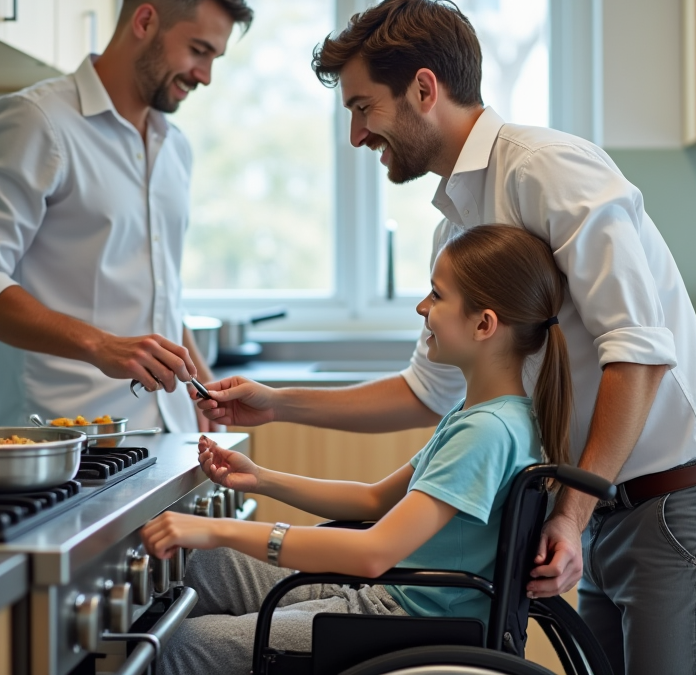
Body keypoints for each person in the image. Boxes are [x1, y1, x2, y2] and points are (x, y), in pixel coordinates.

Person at [197, 0, 696, 674]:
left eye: (361, 107)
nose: (356, 136)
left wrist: (572, 513)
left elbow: (638, 351)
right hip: (609, 503)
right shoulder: (460, 226)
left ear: (423, 89)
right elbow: (425, 393)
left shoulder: (548, 170)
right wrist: (280, 402)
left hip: (680, 501)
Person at [142, 224, 573, 675]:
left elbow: (373, 552)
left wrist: (220, 530)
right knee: (201, 565)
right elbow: (372, 499)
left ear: (484, 324)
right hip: (386, 595)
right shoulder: (485, 416)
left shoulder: (486, 433)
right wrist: (262, 478)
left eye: (437, 296)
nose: (422, 307)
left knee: (178, 647)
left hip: (399, 619)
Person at [0, 0, 252, 432]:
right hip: (63, 451)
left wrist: (202, 391)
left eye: (214, 57)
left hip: (168, 441)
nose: (205, 75)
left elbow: (156, 298)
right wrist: (101, 345)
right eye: (198, 50)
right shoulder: (35, 122)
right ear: (145, 22)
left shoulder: (174, 147)